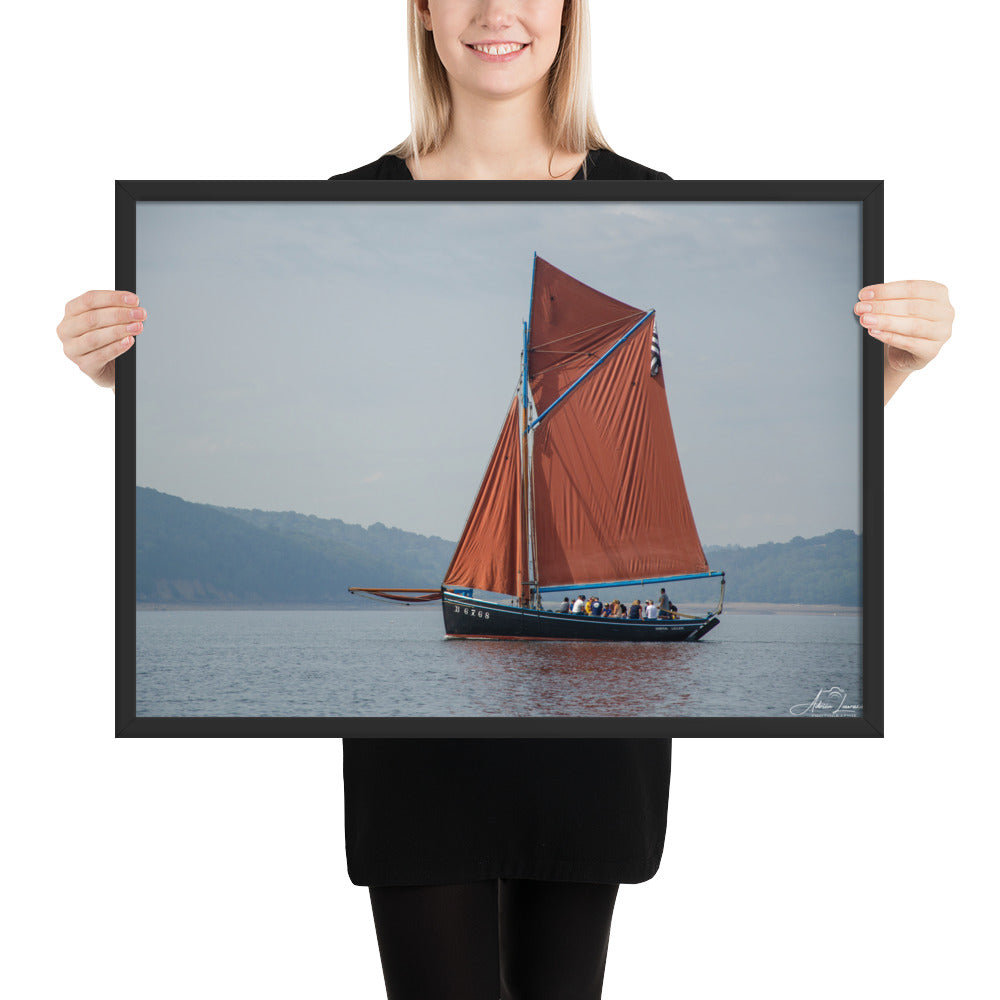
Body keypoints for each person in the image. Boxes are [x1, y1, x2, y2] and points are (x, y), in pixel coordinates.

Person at [55, 2, 953, 998]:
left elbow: (831, 430)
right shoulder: (347, 201)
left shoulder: (640, 197)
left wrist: (898, 367)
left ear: (570, 13)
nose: (496, 11)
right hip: (420, 767)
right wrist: (119, 379)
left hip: (591, 749)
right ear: (423, 12)